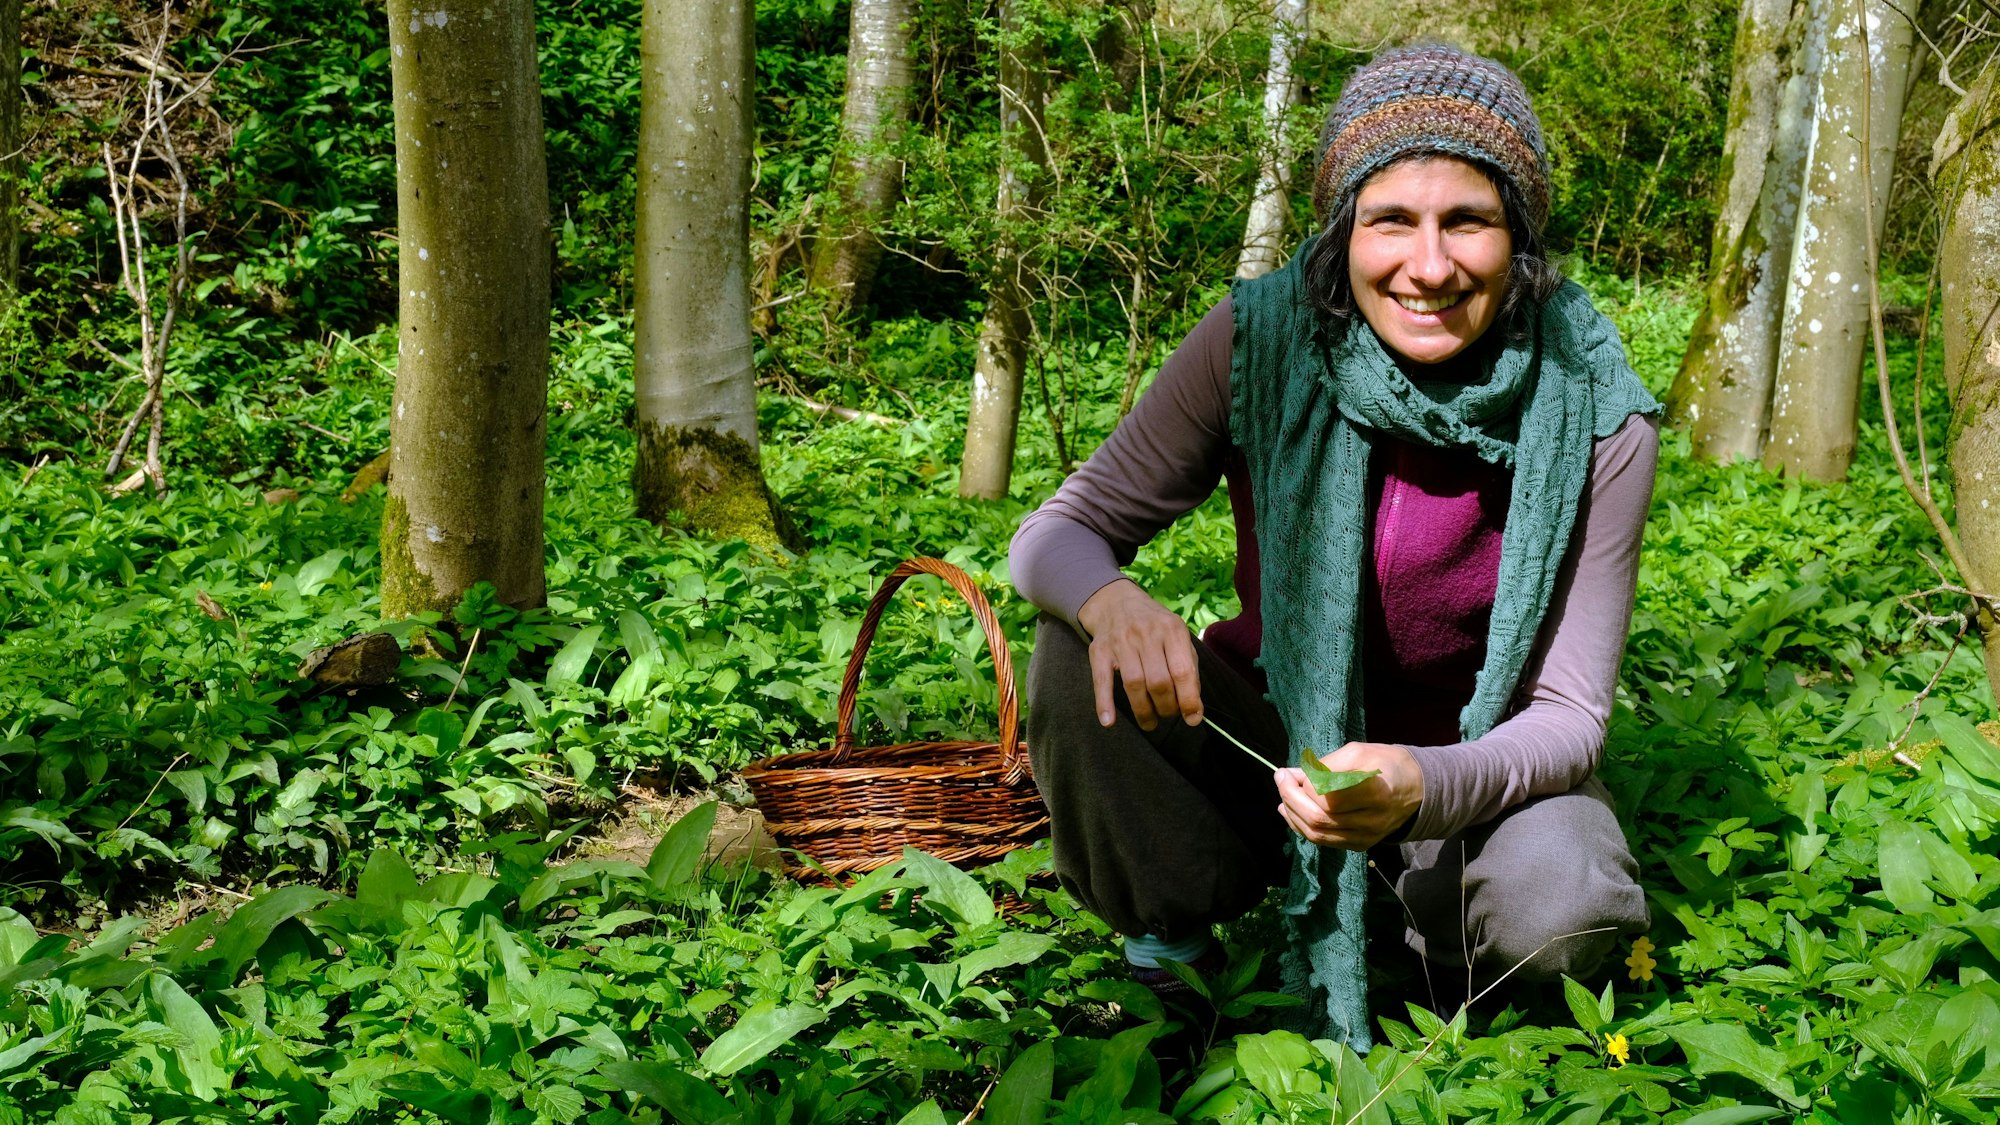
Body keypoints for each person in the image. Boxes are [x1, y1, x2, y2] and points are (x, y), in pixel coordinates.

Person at [1009, 43, 1659, 1050]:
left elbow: (1571, 718)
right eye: (1390, 218)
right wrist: (1111, 600)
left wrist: (1421, 786)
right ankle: (1171, 947)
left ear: (1519, 238)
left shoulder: (1594, 407)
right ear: (1341, 228)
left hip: (1468, 772)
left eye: (1468, 221)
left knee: (1563, 905)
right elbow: (1057, 535)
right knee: (1072, 645)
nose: (1429, 265)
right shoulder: (1256, 342)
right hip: (1270, 747)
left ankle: (1424, 926)